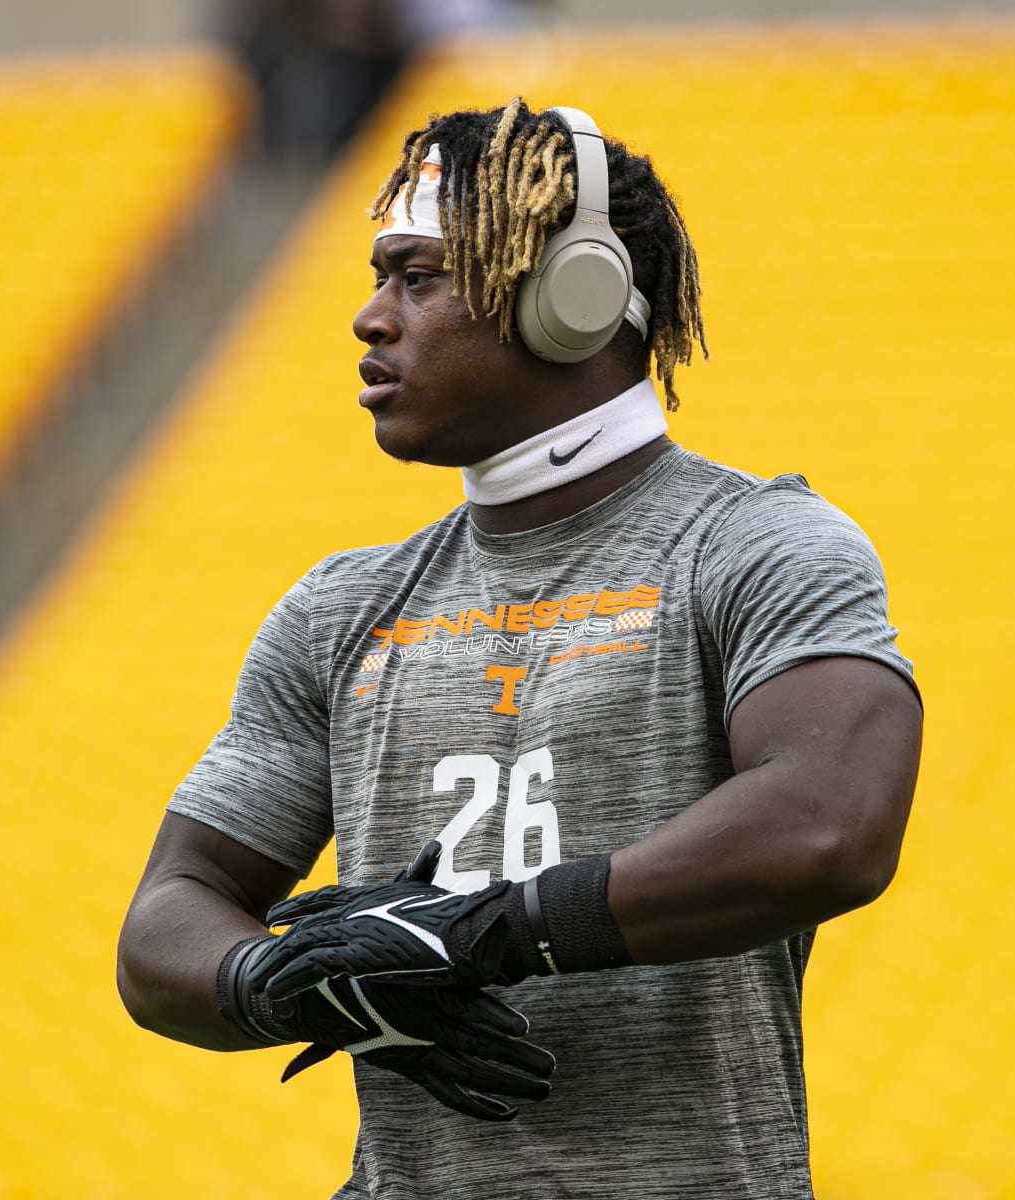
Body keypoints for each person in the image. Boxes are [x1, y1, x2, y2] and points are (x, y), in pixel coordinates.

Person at [117, 98, 923, 1199]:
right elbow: (168, 917)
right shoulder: (340, 606)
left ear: (572, 297)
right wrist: (289, 978)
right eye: (376, 276)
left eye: (418, 277)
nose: (368, 317)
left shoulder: (756, 545)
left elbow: (830, 825)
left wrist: (488, 933)